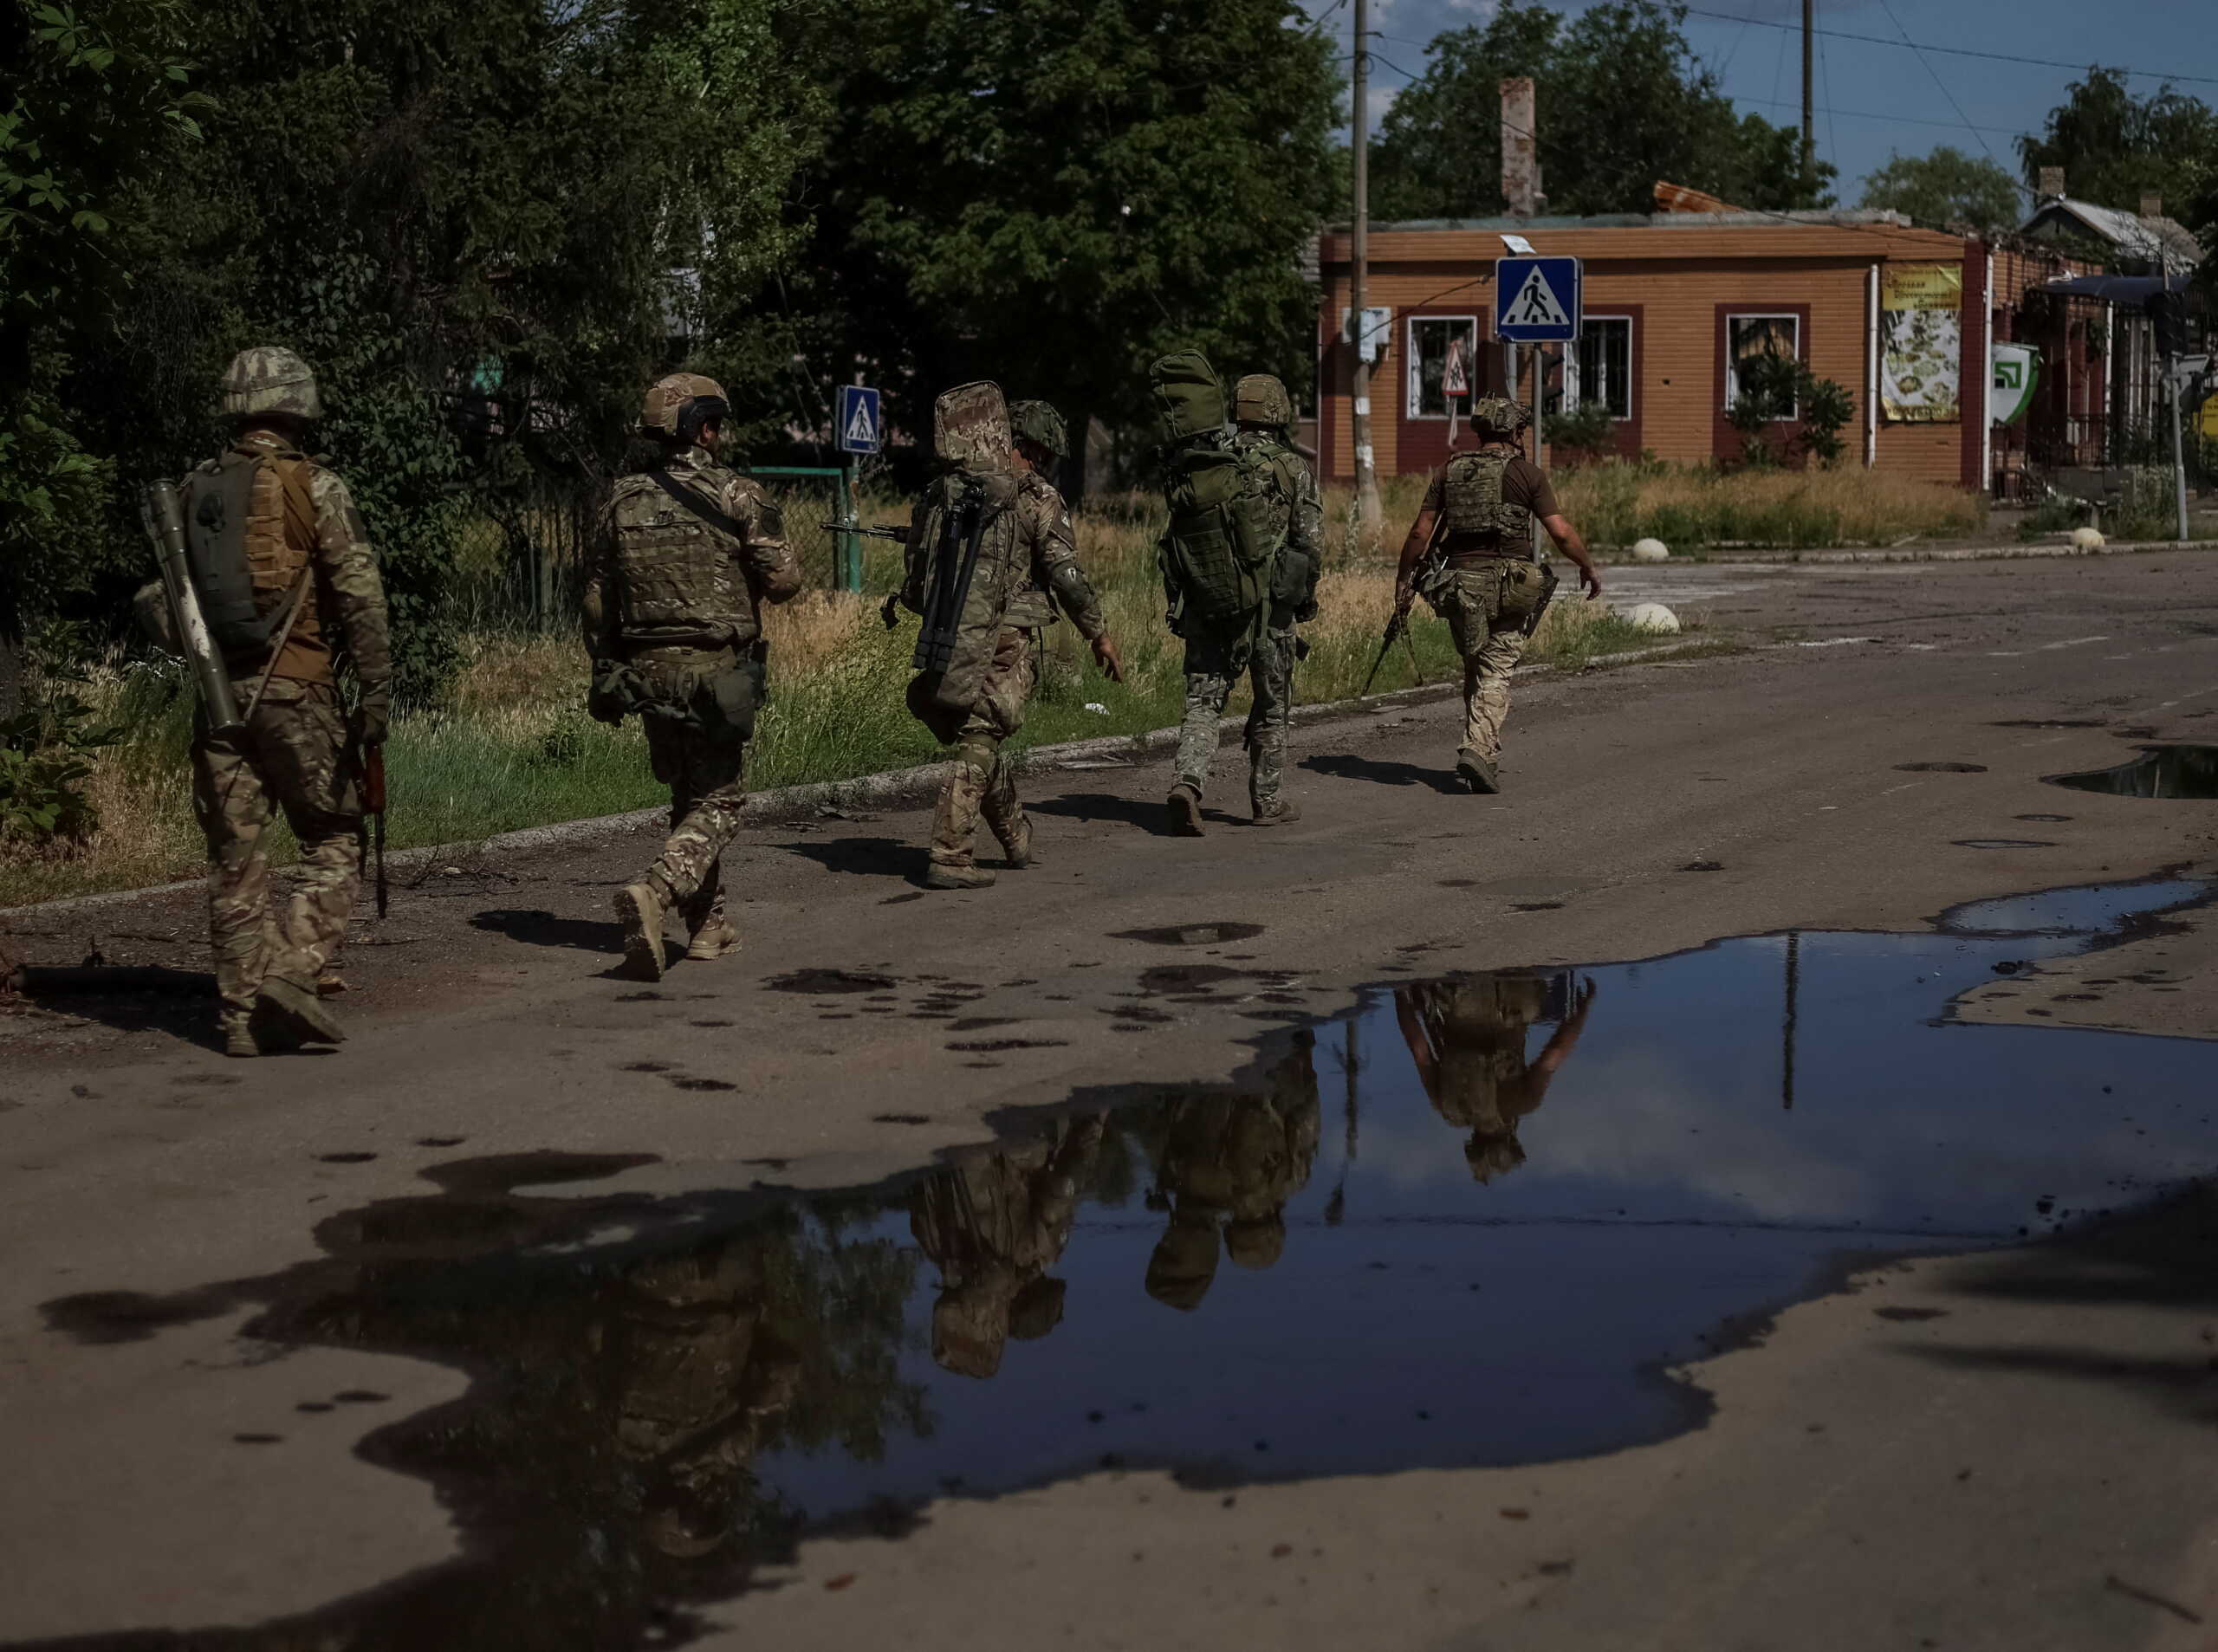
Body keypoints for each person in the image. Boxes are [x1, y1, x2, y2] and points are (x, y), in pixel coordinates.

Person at [175, 347, 391, 1058]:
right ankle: (293, 969)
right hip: (296, 691)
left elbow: (164, 600)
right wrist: (375, 697)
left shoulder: (194, 490)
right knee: (335, 837)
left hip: (216, 699)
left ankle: (238, 1017)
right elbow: (361, 598)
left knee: (236, 862)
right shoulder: (316, 487)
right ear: (300, 406)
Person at [583, 373, 802, 980]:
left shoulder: (620, 499)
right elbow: (785, 583)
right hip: (715, 671)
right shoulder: (737, 494)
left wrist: (605, 665)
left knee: (686, 796)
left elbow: (597, 597)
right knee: (721, 803)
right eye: (718, 424)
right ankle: (655, 893)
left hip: (646, 673)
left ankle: (708, 927)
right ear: (704, 427)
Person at [898, 384, 1124, 891]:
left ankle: (1016, 835)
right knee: (980, 737)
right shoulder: (1037, 497)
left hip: (949, 631)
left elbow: (915, 578)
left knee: (977, 734)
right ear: (1035, 446)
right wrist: (1099, 634)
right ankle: (951, 855)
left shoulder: (945, 493)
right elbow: (1067, 576)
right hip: (1004, 638)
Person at [1391, 396, 1604, 794]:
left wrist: (1403, 580)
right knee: (1498, 667)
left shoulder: (1447, 472)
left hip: (1458, 585)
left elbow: (1420, 533)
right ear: (1514, 432)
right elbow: (1560, 532)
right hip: (1511, 585)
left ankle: (1484, 750)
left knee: (1476, 664)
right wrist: (1587, 566)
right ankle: (1476, 747)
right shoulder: (1527, 474)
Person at [1155, 356, 1313, 833]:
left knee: (1204, 703)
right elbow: (1309, 542)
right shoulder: (1291, 467)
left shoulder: (1209, 463)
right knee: (1271, 706)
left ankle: (1188, 780)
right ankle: (1267, 801)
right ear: (1279, 412)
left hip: (1211, 602)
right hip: (1269, 613)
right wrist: (1305, 600)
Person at [909, 1118, 1106, 1377]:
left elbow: (1064, 1187)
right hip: (936, 1146)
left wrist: (1092, 1128)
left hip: (995, 1135)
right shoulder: (937, 1253)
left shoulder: (1033, 1255)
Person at [1143, 1033, 1321, 1310]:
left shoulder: (1182, 1182)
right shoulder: (1275, 1182)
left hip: (1236, 1055)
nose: (1166, 1242)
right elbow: (1304, 1108)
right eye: (1172, 1253)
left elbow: (1306, 1107)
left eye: (1162, 1249)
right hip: (1258, 1055)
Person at [1394, 974, 1596, 1181]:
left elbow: (1555, 1053)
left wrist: (1581, 1011)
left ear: (1511, 1137)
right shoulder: (1448, 1108)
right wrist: (1401, 993)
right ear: (1474, 1141)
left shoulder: (1522, 1103)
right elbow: (1420, 1050)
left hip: (1514, 995)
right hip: (1461, 998)